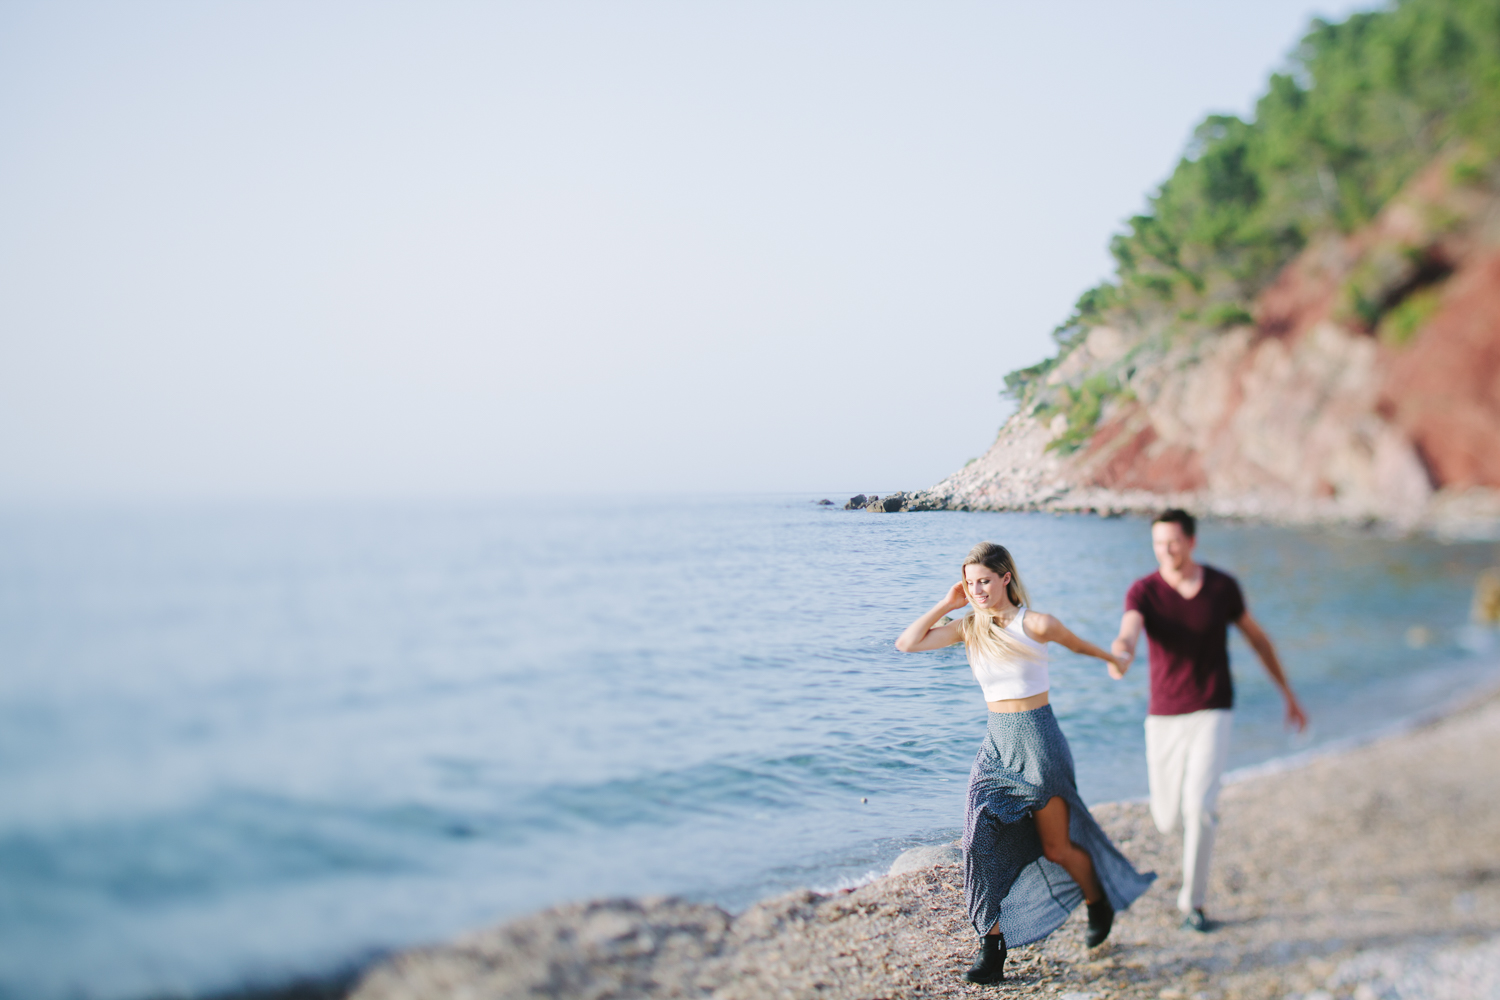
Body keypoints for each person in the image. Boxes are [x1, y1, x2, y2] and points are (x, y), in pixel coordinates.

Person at [897, 541, 1155, 985]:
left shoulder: (1034, 623)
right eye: (970, 582)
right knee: (977, 835)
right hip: (996, 747)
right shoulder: (969, 627)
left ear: (1006, 579)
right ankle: (992, 946)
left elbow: (1078, 645)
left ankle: (1098, 901)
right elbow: (907, 644)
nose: (977, 590)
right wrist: (946, 602)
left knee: (1056, 847)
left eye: (984, 581)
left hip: (1039, 744)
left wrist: (1115, 659)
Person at [1111, 509, 1308, 933]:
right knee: (1166, 818)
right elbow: (1129, 631)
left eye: (1174, 542)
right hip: (1163, 715)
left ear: (1192, 541)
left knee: (1199, 808)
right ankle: (1185, 869)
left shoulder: (1221, 587)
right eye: (1158, 543)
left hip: (1212, 708)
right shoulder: (1143, 591)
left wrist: (1288, 696)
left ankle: (1193, 904)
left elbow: (1258, 640)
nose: (1166, 550)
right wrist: (1121, 653)